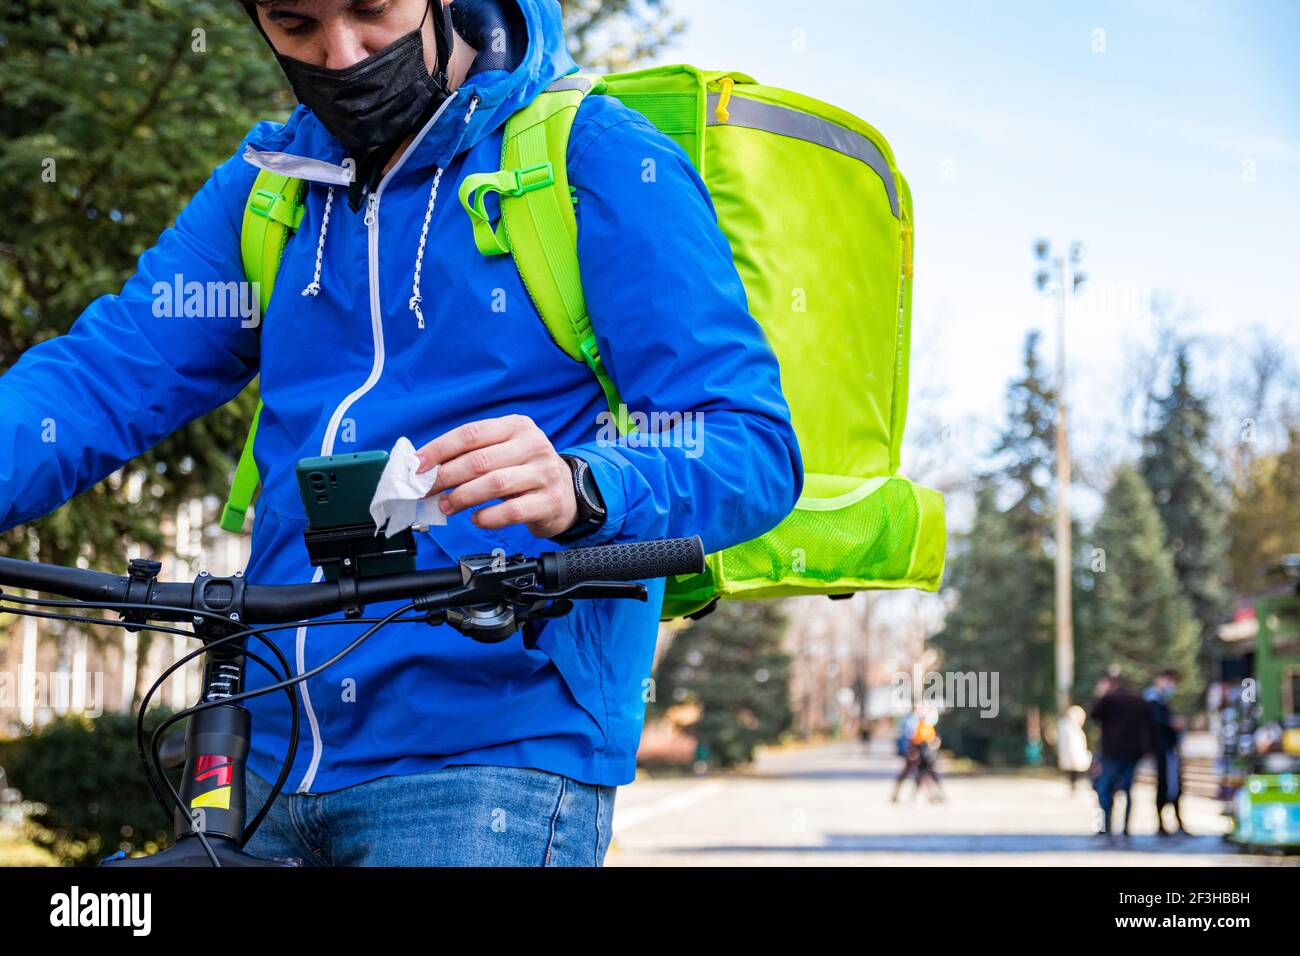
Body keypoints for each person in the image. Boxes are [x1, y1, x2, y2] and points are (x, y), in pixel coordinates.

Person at [0, 0, 803, 866]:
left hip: (487, 753)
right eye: (296, 24)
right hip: (261, 747)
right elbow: (102, 376)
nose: (341, 55)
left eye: (372, 10)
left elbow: (748, 443)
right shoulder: (269, 189)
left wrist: (584, 484)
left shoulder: (597, 158)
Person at [1089, 671, 1152, 842]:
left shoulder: (1108, 700)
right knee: (1127, 789)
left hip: (1111, 752)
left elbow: (1094, 714)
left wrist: (1100, 696)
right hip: (1133, 753)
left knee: (1104, 789)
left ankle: (1104, 828)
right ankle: (1126, 828)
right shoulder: (1139, 700)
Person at [1145, 669, 1190, 836]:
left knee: (1173, 785)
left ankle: (1175, 822)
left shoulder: (1160, 701)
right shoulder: (1153, 701)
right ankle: (1162, 824)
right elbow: (1157, 723)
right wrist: (1172, 723)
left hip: (1168, 750)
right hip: (1163, 750)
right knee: (1166, 785)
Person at [891, 704, 945, 803]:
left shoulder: (926, 722)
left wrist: (934, 743)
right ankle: (929, 795)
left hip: (924, 751)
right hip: (916, 749)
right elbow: (909, 737)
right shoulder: (912, 721)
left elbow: (931, 737)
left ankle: (931, 795)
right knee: (919, 772)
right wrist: (910, 750)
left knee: (925, 772)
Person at [1056, 704, 1092, 795]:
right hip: (1074, 755)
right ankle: (1074, 786)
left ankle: (1074, 786)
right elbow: (1072, 744)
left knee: (1075, 772)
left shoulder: (1067, 727)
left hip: (1073, 755)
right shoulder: (1071, 728)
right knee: (1075, 771)